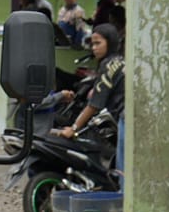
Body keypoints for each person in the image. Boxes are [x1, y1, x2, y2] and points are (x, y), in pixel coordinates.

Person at [52, 24, 124, 165]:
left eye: (98, 43)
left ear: (111, 42)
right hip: (124, 117)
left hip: (124, 118)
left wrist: (73, 128)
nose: (94, 48)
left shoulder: (109, 66)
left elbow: (94, 105)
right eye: (92, 44)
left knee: (122, 166)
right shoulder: (120, 61)